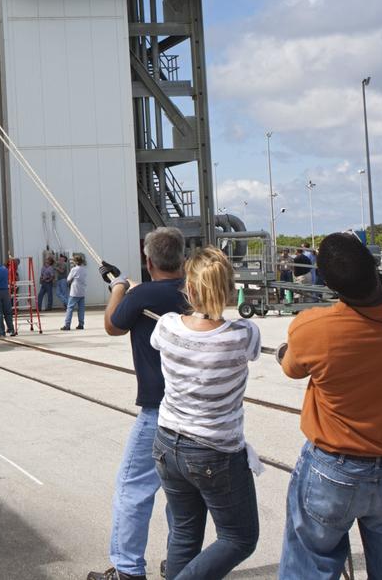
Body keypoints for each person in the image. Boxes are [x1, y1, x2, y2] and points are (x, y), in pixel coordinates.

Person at [276, 233, 382, 579]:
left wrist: (285, 351)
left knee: (310, 563)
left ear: (328, 283)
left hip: (332, 468)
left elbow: (291, 367)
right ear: (374, 265)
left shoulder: (311, 328)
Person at [150, 246, 261, 579]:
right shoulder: (242, 335)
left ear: (189, 287)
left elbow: (158, 341)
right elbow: (252, 351)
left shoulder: (167, 326)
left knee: (184, 532)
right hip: (214, 452)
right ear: (228, 290)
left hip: (167, 443)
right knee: (239, 538)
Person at [85, 227, 189, 580]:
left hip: (159, 410)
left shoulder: (143, 294)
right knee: (182, 493)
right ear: (182, 259)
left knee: (133, 489)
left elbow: (113, 325)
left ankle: (128, 570)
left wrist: (117, 287)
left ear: (148, 261)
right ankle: (180, 565)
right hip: (195, 410)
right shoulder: (194, 292)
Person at [61, 253, 88, 330]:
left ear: (75, 262)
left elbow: (68, 279)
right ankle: (81, 324)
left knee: (70, 308)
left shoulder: (74, 269)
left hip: (74, 291)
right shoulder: (84, 269)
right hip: (82, 291)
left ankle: (67, 325)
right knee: (81, 309)